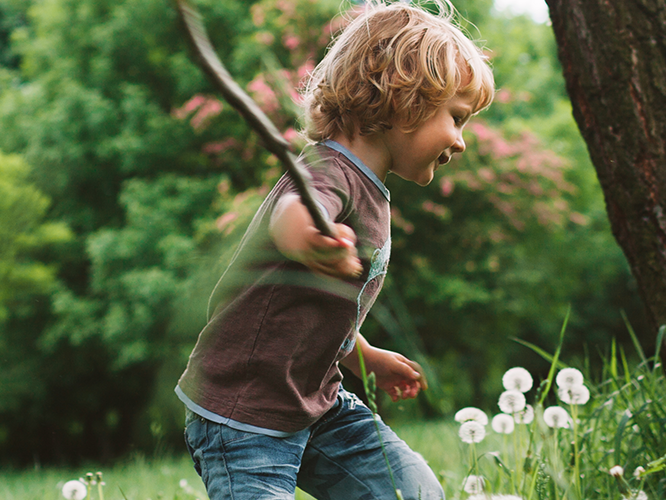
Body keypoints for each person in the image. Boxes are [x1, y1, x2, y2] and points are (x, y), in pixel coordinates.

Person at [174, 2, 495, 499]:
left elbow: (318, 312)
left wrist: (364, 356)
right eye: (456, 117)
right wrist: (310, 241)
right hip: (244, 415)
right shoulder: (328, 172)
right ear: (403, 99)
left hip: (317, 404)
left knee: (411, 491)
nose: (461, 140)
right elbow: (291, 214)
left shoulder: (370, 189)